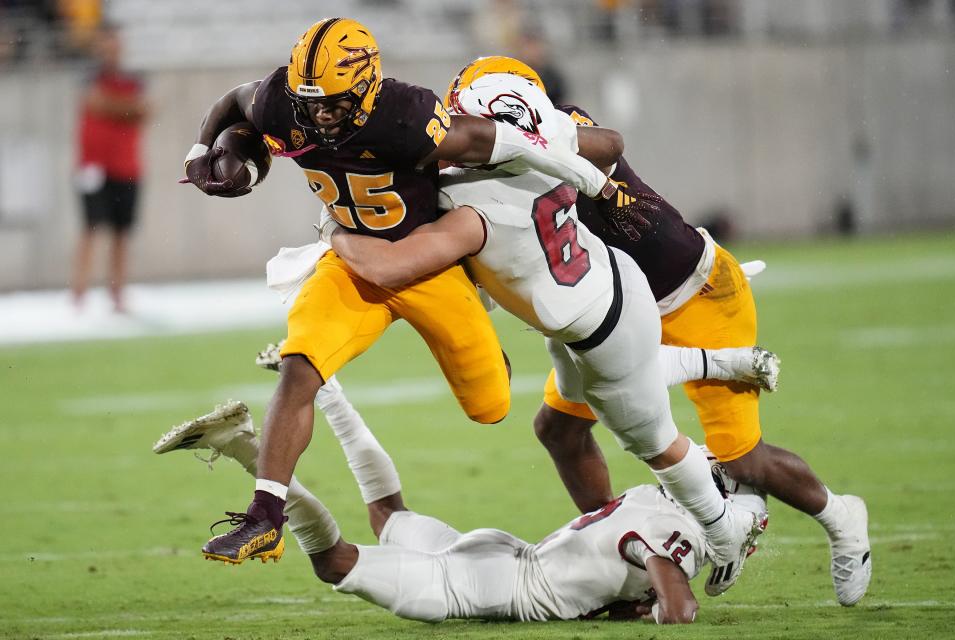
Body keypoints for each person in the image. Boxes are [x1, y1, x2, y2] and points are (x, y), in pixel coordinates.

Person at [180, 18, 654, 566]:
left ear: (367, 86)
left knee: (491, 405)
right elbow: (233, 104)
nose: (320, 115)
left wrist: (598, 178)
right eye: (311, 103)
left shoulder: (407, 116)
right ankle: (264, 516)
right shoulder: (283, 101)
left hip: (427, 268)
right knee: (300, 365)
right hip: (351, 265)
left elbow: (510, 145)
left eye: (333, 103)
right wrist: (199, 152)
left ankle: (484, 350)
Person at [444, 56, 871, 606]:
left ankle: (841, 518)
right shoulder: (501, 154)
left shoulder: (559, 129)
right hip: (621, 311)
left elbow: (605, 145)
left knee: (742, 457)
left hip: (694, 295)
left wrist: (526, 141)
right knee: (559, 431)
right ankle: (622, 547)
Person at [324, 72, 764, 596]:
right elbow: (604, 144)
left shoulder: (473, 209)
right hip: (600, 291)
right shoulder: (539, 147)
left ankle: (727, 526)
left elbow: (394, 267)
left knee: (655, 441)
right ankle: (717, 377)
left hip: (603, 327)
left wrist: (334, 228)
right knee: (561, 427)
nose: (452, 131)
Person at [153, 369, 767, 624]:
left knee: (387, 512)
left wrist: (628, 604)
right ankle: (239, 446)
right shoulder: (678, 535)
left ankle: (328, 387)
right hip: (494, 585)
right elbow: (679, 604)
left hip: (504, 553)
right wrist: (665, 605)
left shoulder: (650, 495)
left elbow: (622, 559)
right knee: (333, 563)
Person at [71, 24, 148, 313]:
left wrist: (114, 107)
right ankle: (79, 292)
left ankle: (117, 294)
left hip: (127, 167)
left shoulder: (133, 78)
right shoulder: (90, 76)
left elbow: (142, 110)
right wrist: (126, 109)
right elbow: (99, 104)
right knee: (90, 229)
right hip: (94, 166)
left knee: (121, 233)